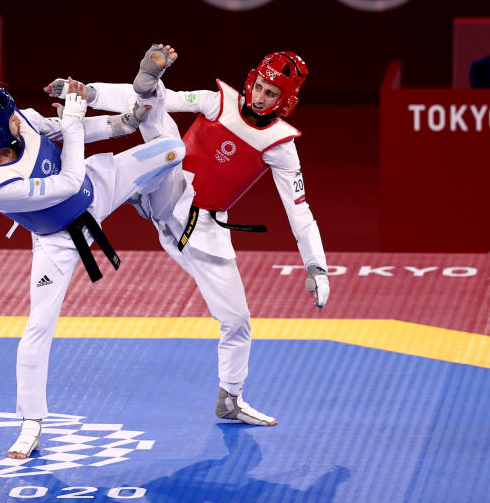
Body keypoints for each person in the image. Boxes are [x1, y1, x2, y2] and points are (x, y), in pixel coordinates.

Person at [46, 47, 330, 428]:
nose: (260, 97)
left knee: (237, 320)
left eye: (271, 94)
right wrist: (88, 93)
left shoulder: (280, 145)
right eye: (259, 87)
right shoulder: (217, 101)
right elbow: (163, 101)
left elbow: (299, 208)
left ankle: (230, 398)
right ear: (251, 79)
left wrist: (316, 265)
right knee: (157, 112)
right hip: (165, 186)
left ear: (286, 101)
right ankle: (93, 197)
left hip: (203, 230)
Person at [0, 48, 185, 459]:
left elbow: (63, 133)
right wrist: (75, 120)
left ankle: (147, 205)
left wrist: (124, 123)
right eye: (9, 118)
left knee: (173, 150)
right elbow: (67, 179)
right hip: (58, 239)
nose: (18, 118)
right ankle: (30, 423)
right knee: (38, 326)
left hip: (99, 187)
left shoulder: (21, 118)